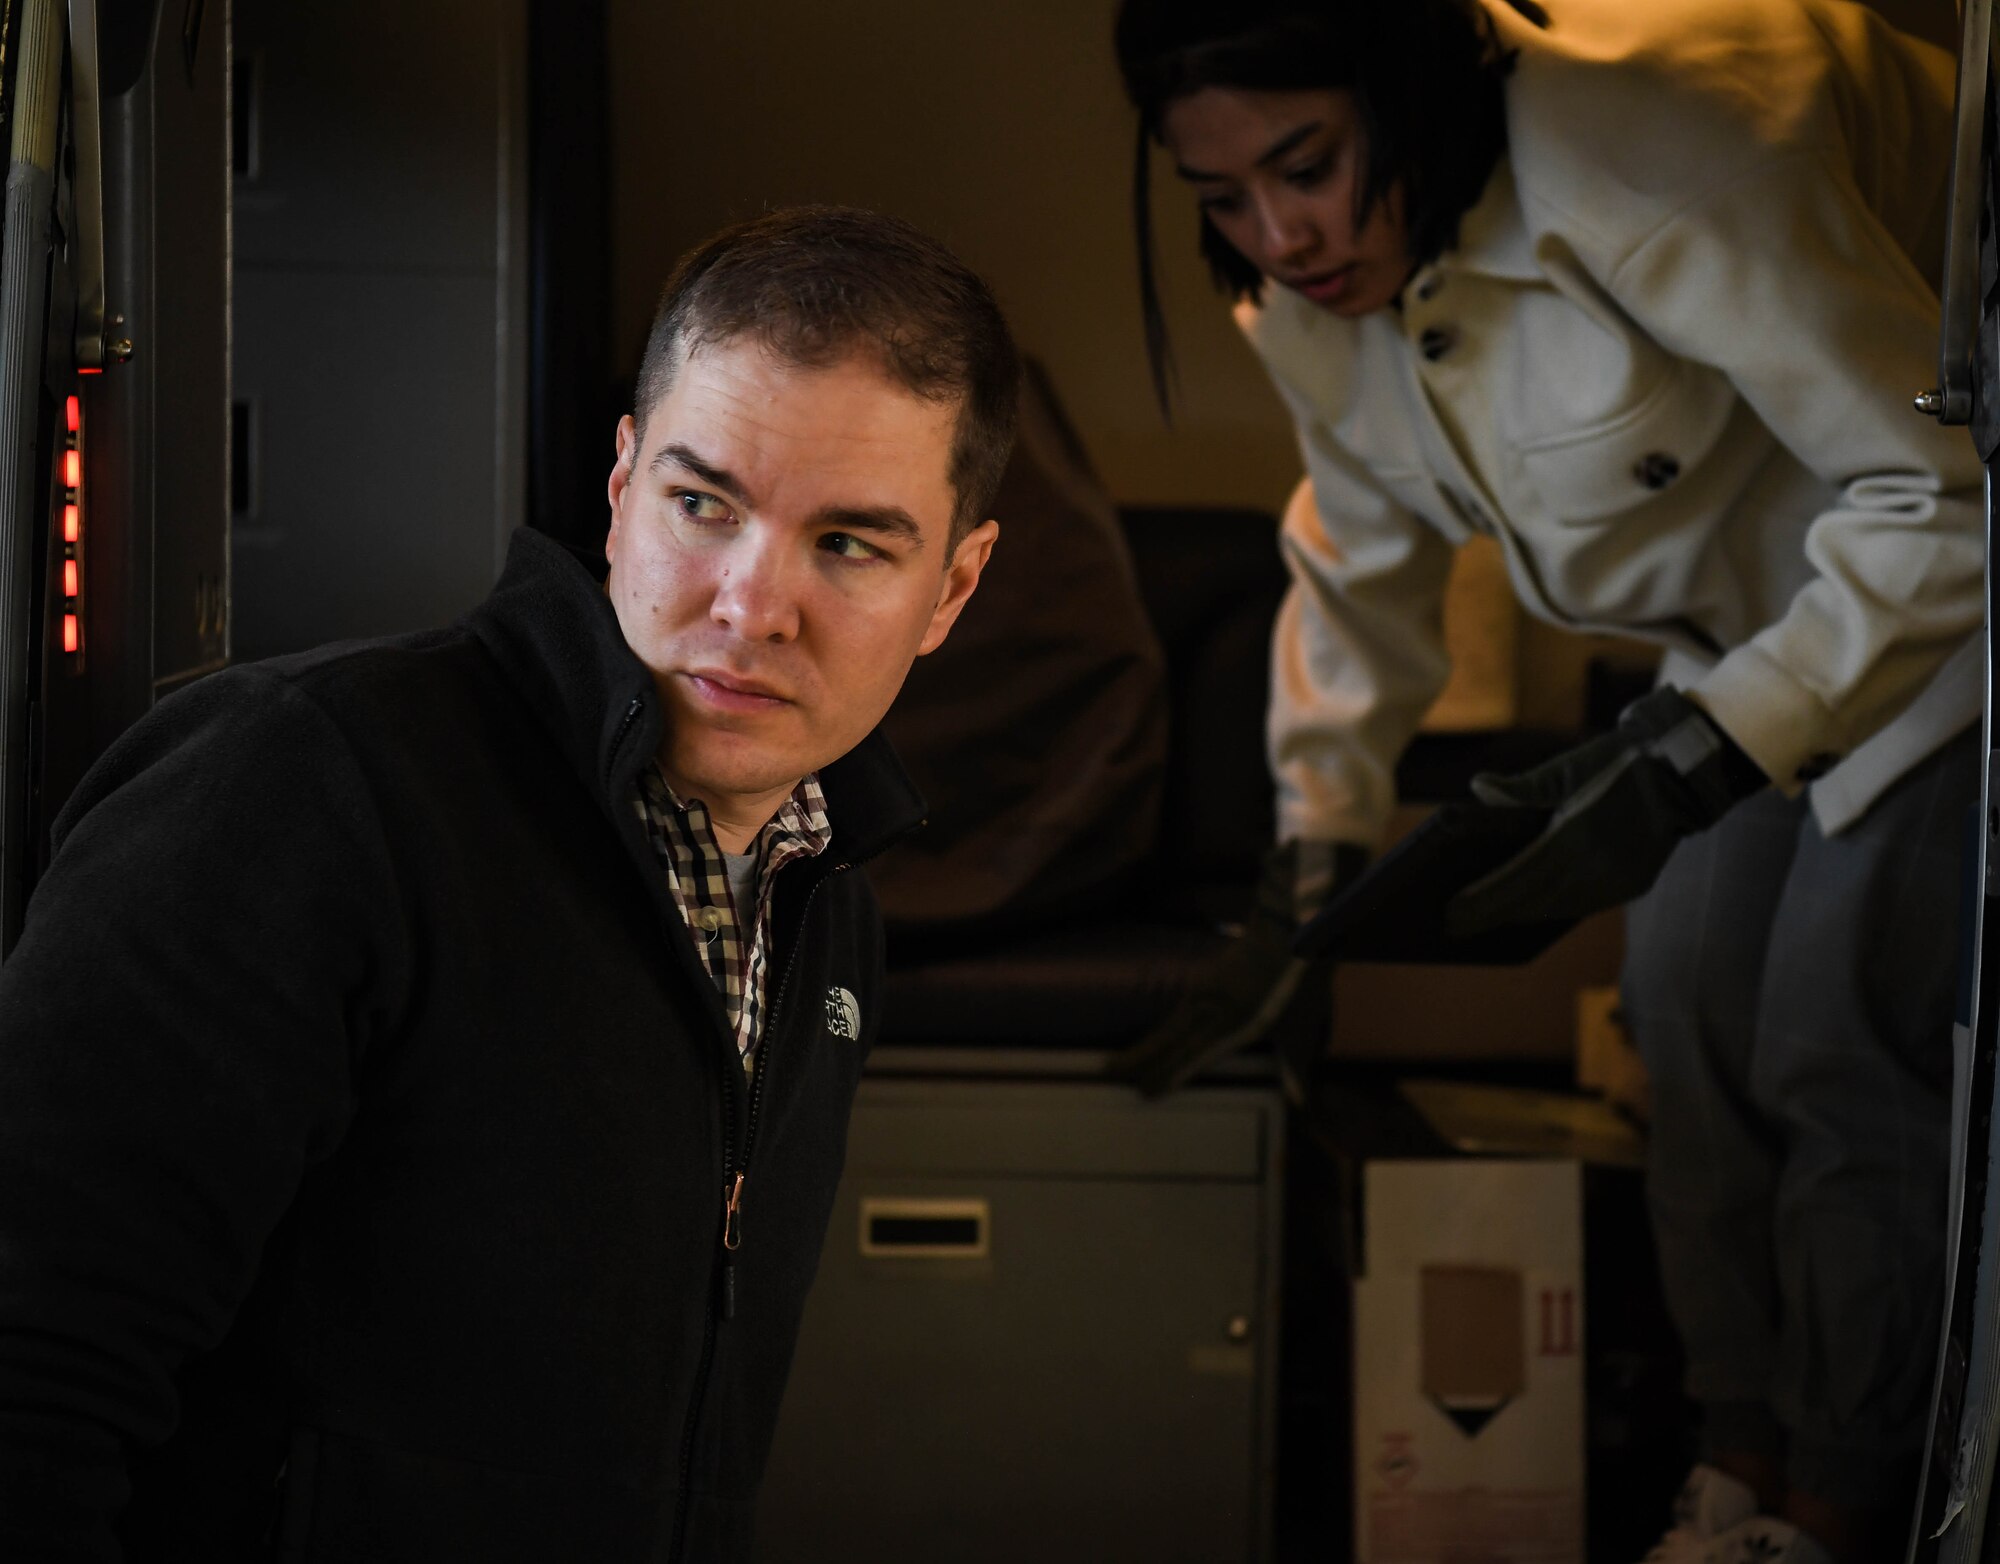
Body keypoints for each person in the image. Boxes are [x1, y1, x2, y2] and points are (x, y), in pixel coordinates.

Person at [0, 204, 1015, 1561]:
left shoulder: (827, 910)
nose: (749, 603)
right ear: (619, 488)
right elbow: (29, 1376)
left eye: (848, 546)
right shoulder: (301, 787)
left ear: (951, 590)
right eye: (702, 504)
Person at [1112, 2, 1980, 1560]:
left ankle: (1839, 1508)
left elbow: (1940, 491)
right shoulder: (1313, 288)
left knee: (1830, 1037)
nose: (1279, 233)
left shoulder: (1667, 150)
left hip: (1948, 575)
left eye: (1304, 164)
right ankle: (1735, 1479)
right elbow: (1360, 557)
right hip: (1760, 634)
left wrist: (1706, 758)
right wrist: (1308, 861)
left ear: (1411, 86)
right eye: (1222, 197)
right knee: (1683, 1021)